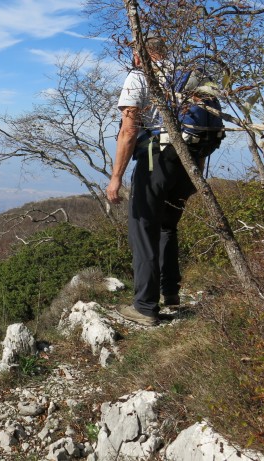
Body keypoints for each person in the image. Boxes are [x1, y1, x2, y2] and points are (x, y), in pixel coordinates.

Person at [106, 35, 197, 326]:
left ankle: (145, 307)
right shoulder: (187, 75)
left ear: (139, 55)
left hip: (156, 159)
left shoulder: (140, 76)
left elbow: (129, 131)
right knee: (168, 225)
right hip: (189, 162)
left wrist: (116, 177)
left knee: (143, 228)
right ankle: (170, 292)